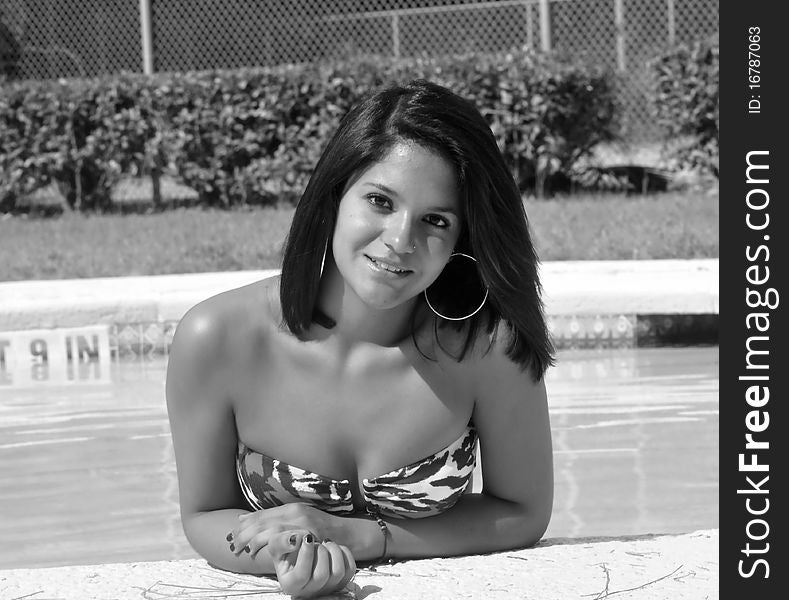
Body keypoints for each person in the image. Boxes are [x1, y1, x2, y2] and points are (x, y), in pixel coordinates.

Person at [166, 79, 555, 598]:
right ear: (334, 196)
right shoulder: (215, 337)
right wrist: (287, 555)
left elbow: (523, 513)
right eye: (379, 201)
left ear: (462, 238)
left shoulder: (485, 348)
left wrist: (361, 538)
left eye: (435, 220)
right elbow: (204, 514)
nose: (399, 242)